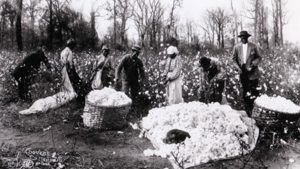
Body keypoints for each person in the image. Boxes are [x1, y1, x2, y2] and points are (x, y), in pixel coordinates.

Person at [232, 31, 262, 116]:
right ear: (240, 38)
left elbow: (259, 57)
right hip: (242, 70)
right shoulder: (237, 47)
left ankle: (255, 108)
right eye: (242, 37)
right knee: (245, 89)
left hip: (252, 71)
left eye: (245, 37)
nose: (243, 39)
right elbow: (233, 59)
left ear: (247, 37)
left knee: (254, 89)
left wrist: (253, 64)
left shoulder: (253, 46)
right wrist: (238, 68)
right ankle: (247, 109)